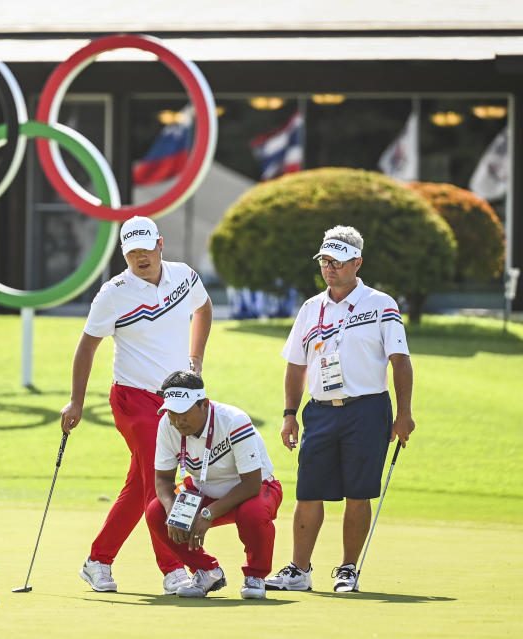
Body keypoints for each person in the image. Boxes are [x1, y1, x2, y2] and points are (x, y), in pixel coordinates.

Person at [60, 216, 213, 594]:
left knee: (140, 483)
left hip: (175, 401)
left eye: (146, 248)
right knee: (159, 483)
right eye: (132, 252)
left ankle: (98, 561)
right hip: (132, 398)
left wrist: (196, 358)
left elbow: (204, 307)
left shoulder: (184, 276)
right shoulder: (113, 293)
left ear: (160, 244)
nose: (140, 257)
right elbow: (86, 348)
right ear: (124, 254)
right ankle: (174, 567)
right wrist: (76, 401)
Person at [266, 225, 415, 593]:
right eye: (325, 261)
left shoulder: (381, 304)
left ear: (357, 263)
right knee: (308, 491)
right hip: (319, 411)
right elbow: (296, 365)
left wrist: (404, 414)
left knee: (358, 492)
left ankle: (348, 569)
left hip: (367, 409)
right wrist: (289, 413)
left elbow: (400, 361)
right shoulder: (310, 308)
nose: (330, 268)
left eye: (338, 262)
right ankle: (299, 570)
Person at [146, 371, 282, 599]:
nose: (178, 420)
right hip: (203, 490)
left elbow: (251, 485)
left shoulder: (233, 420)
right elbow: (164, 480)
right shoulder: (167, 425)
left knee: (253, 514)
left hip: (256, 489)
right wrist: (173, 512)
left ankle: (255, 576)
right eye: (172, 412)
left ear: (204, 404)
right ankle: (207, 572)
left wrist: (210, 513)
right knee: (156, 512)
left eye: (185, 411)